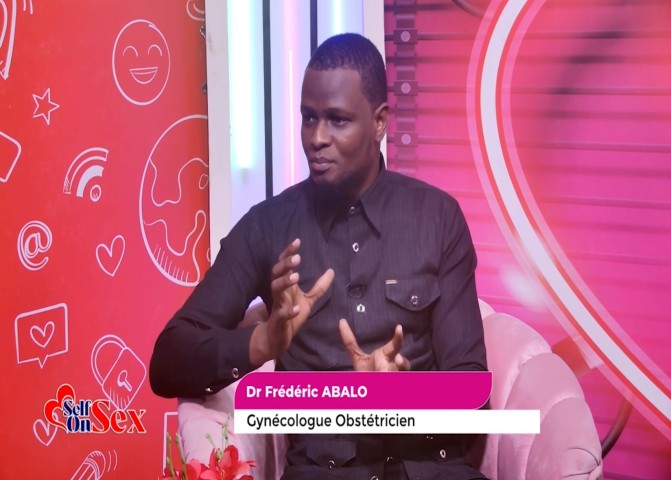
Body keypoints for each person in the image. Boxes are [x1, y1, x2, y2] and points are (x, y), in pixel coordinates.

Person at [150, 32, 488, 480]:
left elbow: (473, 392)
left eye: (337, 120)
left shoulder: (437, 218)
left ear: (380, 122)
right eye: (308, 118)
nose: (317, 138)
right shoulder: (268, 226)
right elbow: (167, 362)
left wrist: (398, 396)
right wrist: (261, 342)